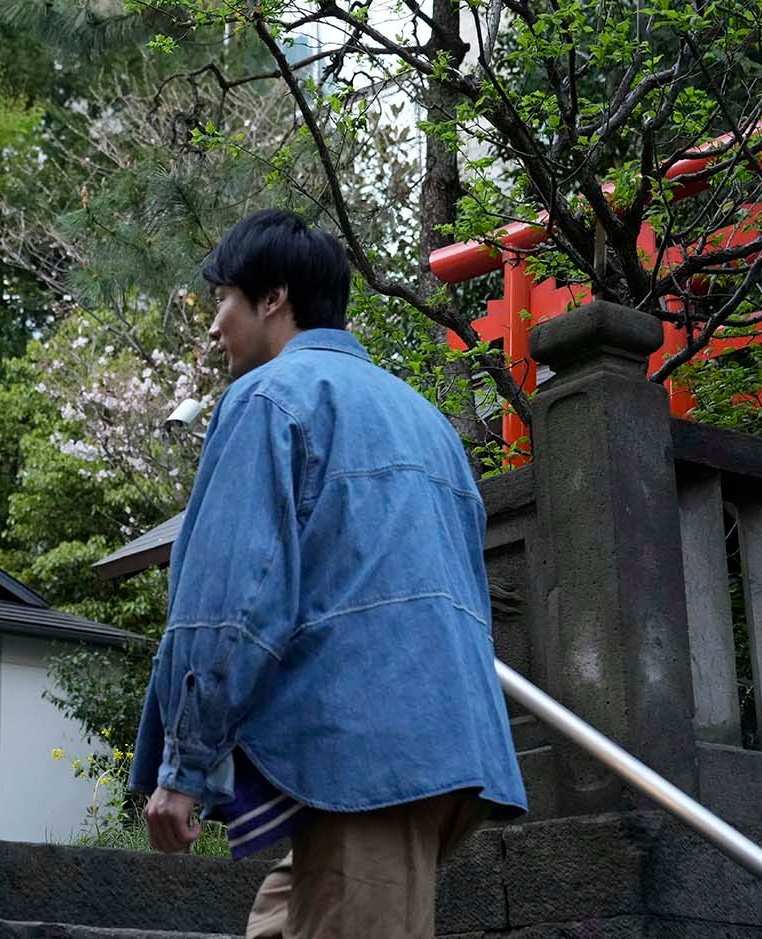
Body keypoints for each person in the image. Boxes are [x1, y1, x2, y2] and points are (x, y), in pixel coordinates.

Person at [128, 209, 526, 938]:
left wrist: (185, 763)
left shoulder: (270, 398)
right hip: (438, 746)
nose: (215, 327)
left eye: (223, 299)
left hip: (364, 758)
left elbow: (233, 601)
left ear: (273, 298)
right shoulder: (425, 420)